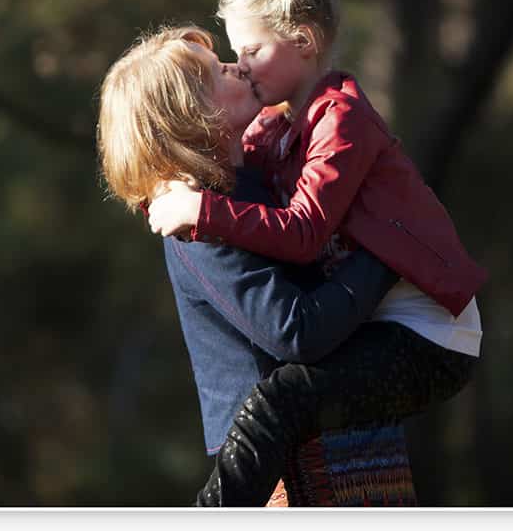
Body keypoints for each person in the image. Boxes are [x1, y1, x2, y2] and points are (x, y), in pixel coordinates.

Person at [144, 0, 487, 505]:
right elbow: (222, 167)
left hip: (430, 338)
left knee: (281, 399)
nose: (241, 65)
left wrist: (202, 210)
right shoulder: (276, 127)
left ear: (302, 42)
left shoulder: (341, 119)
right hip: (378, 325)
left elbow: (302, 233)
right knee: (285, 400)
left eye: (250, 51)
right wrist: (172, 184)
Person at [98, 25, 419, 506]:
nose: (237, 66)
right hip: (290, 465)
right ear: (192, 117)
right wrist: (387, 252)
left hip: (347, 433)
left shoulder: (253, 179)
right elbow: (296, 331)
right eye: (217, 72)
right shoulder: (196, 225)